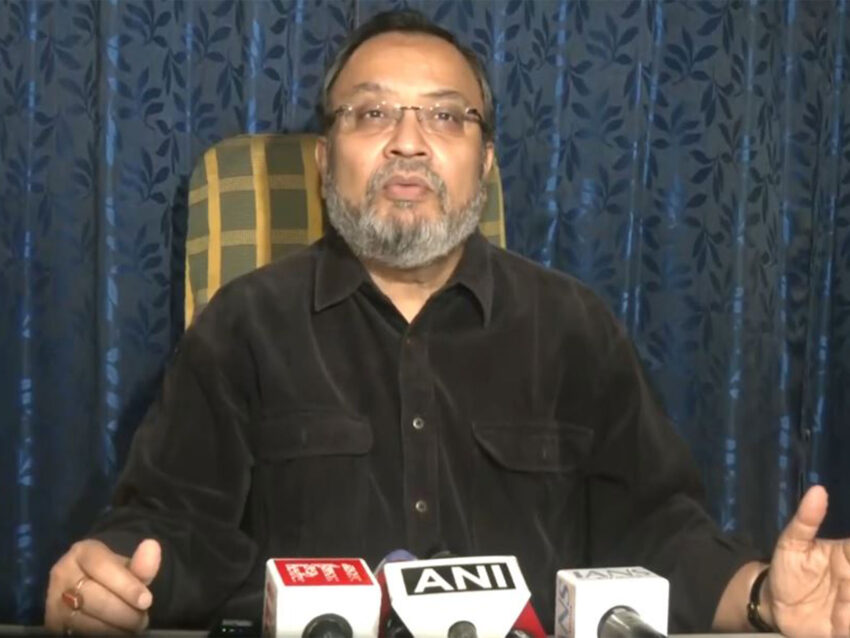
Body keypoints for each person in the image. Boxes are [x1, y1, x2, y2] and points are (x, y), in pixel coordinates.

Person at [45, 10, 850, 636]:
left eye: (445, 118)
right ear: (324, 160)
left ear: (486, 163)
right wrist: (105, 580)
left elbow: (658, 532)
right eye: (371, 114)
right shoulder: (243, 326)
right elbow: (172, 529)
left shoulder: (576, 328)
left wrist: (761, 599)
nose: (408, 144)